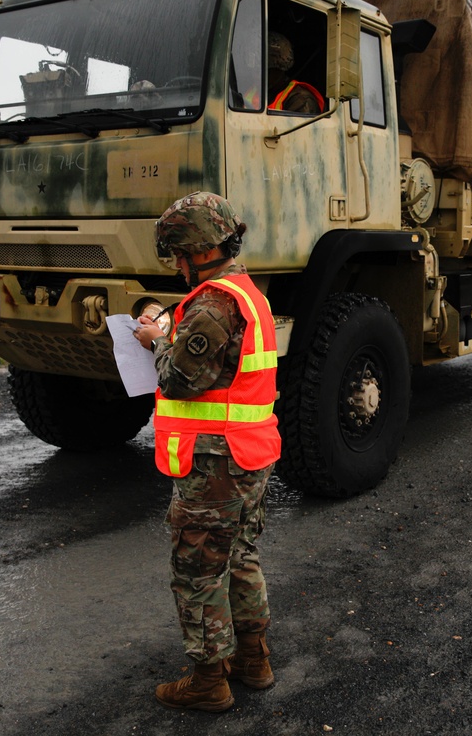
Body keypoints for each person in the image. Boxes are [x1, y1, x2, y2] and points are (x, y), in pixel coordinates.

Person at [134, 191, 281, 712]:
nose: (176, 265)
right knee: (240, 558)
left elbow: (180, 379)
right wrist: (168, 326)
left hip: (216, 462)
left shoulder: (214, 303)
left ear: (197, 251)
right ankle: (252, 661)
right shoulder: (246, 293)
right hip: (250, 454)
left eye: (177, 254)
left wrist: (155, 343)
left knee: (197, 570)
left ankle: (207, 682)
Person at [266, 32, 324, 114]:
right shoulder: (256, 92)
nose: (259, 76)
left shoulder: (301, 100)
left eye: (268, 70)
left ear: (280, 69)